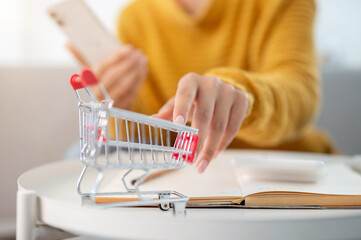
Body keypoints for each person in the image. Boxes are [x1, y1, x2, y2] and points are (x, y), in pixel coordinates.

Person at [69, 0, 334, 173]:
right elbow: (160, 136)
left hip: (282, 172)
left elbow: (301, 94)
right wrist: (119, 106)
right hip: (193, 179)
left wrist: (242, 96)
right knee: (74, 157)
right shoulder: (135, 18)